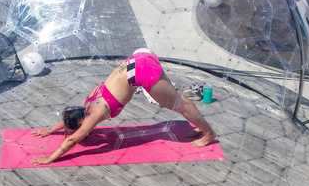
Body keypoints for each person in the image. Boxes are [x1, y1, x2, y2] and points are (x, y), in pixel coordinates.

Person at [31, 49, 217, 165]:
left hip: (141, 72)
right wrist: (50, 130)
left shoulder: (93, 115)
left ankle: (208, 133)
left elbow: (72, 139)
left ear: (81, 122)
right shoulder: (87, 102)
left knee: (180, 105)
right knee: (174, 99)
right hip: (139, 57)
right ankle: (195, 117)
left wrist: (50, 158)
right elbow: (70, 121)